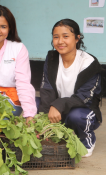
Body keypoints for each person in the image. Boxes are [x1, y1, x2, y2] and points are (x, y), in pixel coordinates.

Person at [38, 19, 104, 157]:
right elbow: (47, 88)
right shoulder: (52, 58)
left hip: (82, 111)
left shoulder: (89, 63)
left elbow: (84, 97)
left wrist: (58, 104)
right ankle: (50, 132)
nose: (60, 41)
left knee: (77, 116)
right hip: (57, 111)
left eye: (66, 36)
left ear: (77, 38)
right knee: (34, 103)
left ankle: (86, 139)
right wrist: (41, 120)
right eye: (56, 37)